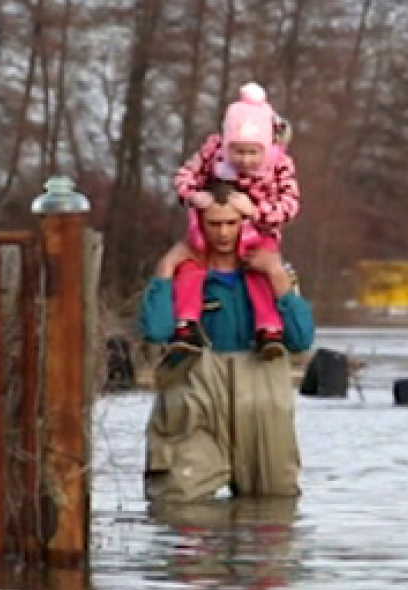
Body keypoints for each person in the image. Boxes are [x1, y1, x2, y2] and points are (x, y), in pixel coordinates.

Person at [139, 182, 315, 501]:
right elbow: (156, 331)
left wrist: (277, 276)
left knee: (273, 519)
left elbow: (301, 340)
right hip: (195, 407)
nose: (223, 233)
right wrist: (165, 270)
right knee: (179, 511)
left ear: (246, 223)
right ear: (198, 223)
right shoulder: (181, 276)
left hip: (263, 410)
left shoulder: (272, 274)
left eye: (231, 223)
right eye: (214, 223)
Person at [166, 82, 302, 359]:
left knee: (260, 270)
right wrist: (195, 196)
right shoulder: (212, 153)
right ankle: (186, 323)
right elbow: (183, 178)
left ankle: (269, 329)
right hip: (215, 223)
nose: (245, 160)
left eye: (253, 152)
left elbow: (289, 206)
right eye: (238, 151)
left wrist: (255, 211)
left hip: (260, 229)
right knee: (191, 266)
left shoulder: (280, 164)